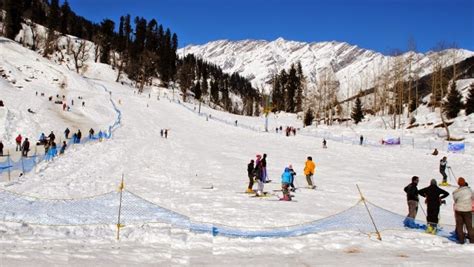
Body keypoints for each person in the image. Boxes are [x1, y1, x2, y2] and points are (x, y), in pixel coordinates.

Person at [452, 177, 474, 244]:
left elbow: (455, 199)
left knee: (459, 226)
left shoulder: (456, 192)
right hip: (468, 210)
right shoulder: (470, 191)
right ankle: (472, 241)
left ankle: (461, 240)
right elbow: (472, 198)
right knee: (469, 226)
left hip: (458, 210)